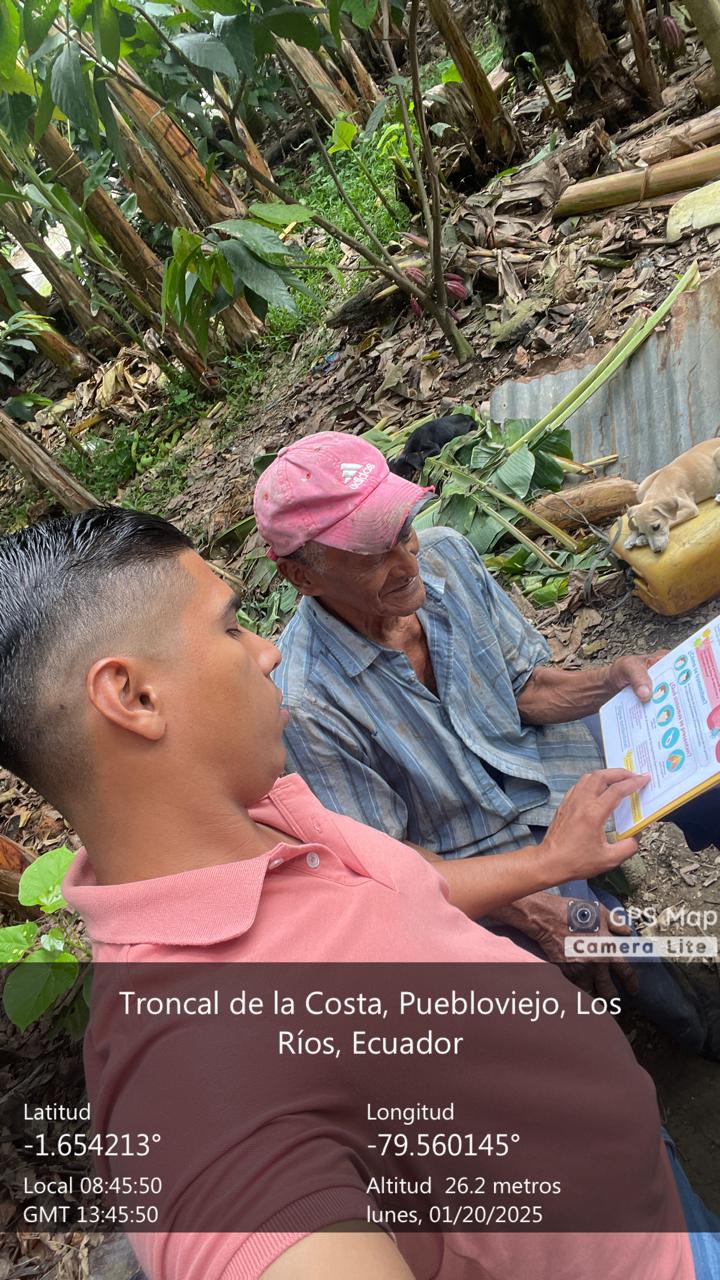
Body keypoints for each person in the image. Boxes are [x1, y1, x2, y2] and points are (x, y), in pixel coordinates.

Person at [0, 506, 718, 1280]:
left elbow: (409, 879)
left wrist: (545, 863)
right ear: (134, 696)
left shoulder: (260, 814)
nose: (266, 651)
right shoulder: (191, 1059)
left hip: (634, 1176)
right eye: (231, 628)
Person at [255, 431, 719, 1054]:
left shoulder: (447, 555)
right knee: (600, 942)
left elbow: (526, 689)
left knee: (696, 749)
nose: (407, 563)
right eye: (370, 555)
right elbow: (396, 867)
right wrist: (531, 905)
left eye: (403, 530)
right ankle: (694, 1028)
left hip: (538, 759)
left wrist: (608, 681)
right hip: (470, 856)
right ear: (300, 575)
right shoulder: (307, 703)